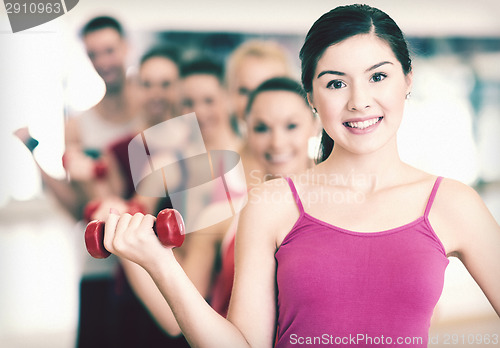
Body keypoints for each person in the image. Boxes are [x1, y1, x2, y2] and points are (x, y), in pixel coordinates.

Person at [101, 5, 500, 348]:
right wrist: (159, 263)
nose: (359, 100)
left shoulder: (454, 204)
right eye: (336, 83)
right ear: (311, 96)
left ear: (407, 81)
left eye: (378, 76)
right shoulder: (271, 203)